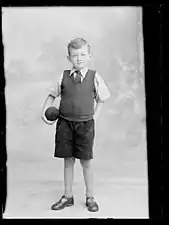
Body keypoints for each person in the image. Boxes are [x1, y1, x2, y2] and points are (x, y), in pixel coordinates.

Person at [41, 38, 110, 212]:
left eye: (82, 55)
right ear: (69, 57)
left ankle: (90, 197)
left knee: (86, 161)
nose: (79, 58)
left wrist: (95, 117)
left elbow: (102, 99)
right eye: (74, 55)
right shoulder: (63, 76)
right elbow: (51, 94)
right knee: (68, 161)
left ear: (89, 56)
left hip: (85, 125)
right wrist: (45, 111)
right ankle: (68, 196)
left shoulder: (95, 77)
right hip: (65, 124)